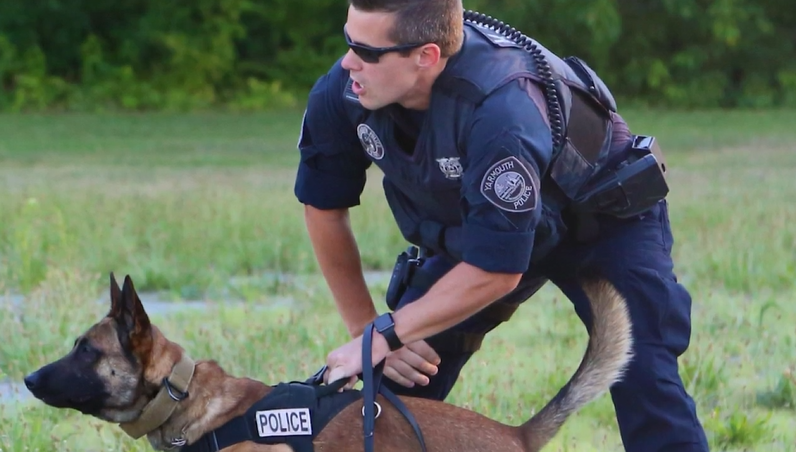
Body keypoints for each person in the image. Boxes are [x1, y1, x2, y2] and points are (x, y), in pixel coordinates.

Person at [293, 1, 710, 451]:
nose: (347, 62)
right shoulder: (342, 91)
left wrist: (386, 332)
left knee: (646, 376)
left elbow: (497, 271)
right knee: (389, 384)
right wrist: (367, 332)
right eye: (349, 41)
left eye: (367, 51)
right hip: (485, 235)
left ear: (426, 56)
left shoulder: (502, 107)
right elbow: (324, 209)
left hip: (603, 222)